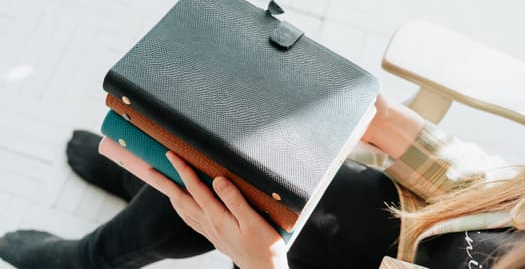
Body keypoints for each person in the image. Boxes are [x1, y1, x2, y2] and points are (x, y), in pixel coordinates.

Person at [0, 94, 523, 268]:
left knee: (223, 187)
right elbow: (486, 183)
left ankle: (93, 257)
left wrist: (261, 263)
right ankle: (154, 187)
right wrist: (385, 120)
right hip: (401, 221)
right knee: (233, 163)